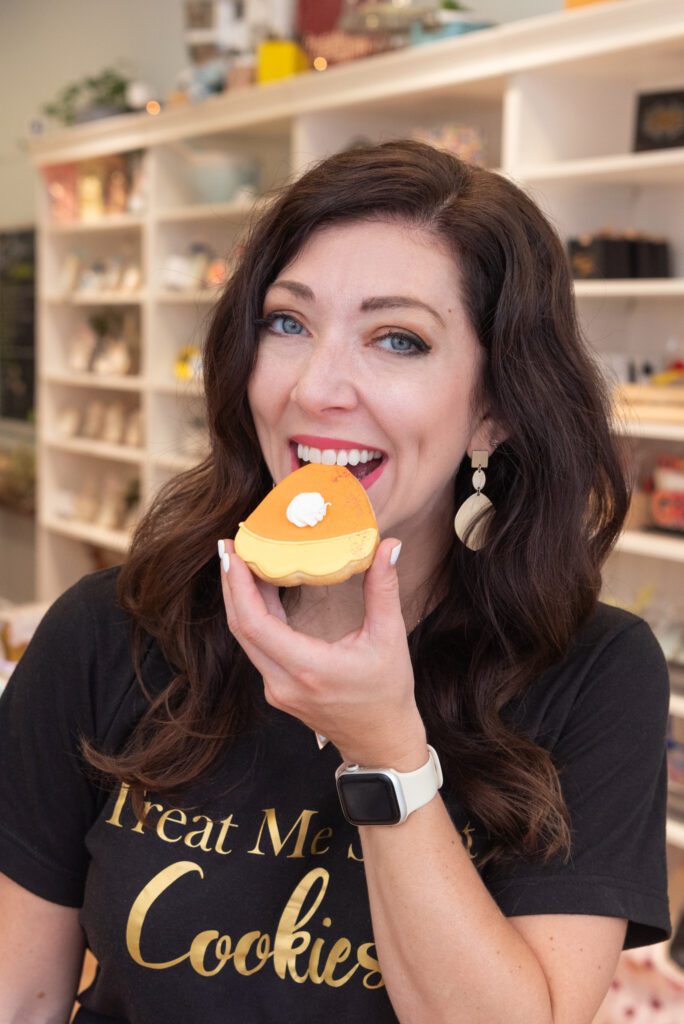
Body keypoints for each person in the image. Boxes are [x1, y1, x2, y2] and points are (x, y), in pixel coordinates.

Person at [0, 140, 671, 1023]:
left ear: (495, 409)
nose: (317, 388)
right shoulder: (109, 629)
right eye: (288, 323)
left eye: (398, 339)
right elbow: (24, 995)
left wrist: (387, 751)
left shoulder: (593, 673)